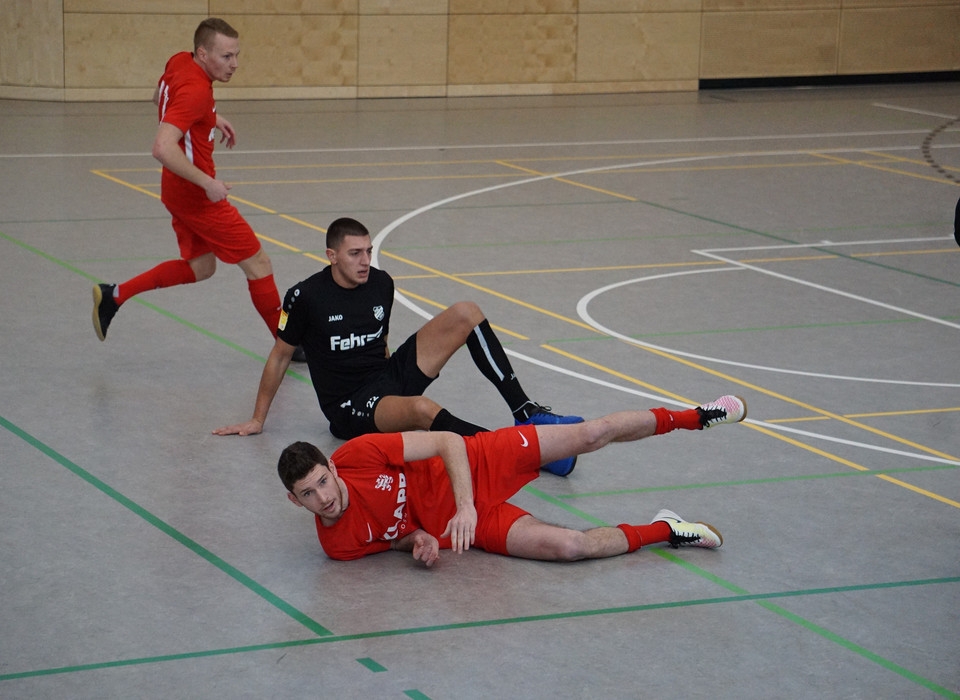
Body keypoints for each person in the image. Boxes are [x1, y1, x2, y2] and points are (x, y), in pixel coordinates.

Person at [214, 216, 584, 475]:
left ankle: (524, 411)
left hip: (385, 378)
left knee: (466, 313)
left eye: (368, 251)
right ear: (331, 256)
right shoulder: (305, 297)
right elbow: (280, 357)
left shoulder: (381, 283)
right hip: (350, 407)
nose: (365, 261)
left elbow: (382, 340)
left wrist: (396, 382)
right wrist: (258, 419)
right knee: (423, 410)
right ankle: (519, 451)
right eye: (355, 253)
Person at [277, 395, 748, 565]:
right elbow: (392, 540)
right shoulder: (337, 546)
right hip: (465, 528)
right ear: (295, 502)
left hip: (477, 462)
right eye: (309, 494)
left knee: (591, 434)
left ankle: (695, 417)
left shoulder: (359, 454)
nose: (324, 498)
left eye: (323, 482)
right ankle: (668, 529)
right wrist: (417, 541)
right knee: (571, 548)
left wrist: (464, 503)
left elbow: (447, 441)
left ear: (333, 468)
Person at [91, 18, 287, 348]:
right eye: (226, 57)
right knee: (259, 263)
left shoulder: (179, 61)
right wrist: (208, 183)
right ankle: (288, 343)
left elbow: (160, 97)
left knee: (201, 267)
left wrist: (208, 117)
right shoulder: (196, 91)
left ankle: (114, 295)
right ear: (203, 53)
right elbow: (162, 147)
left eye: (237, 55)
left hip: (175, 190)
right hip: (198, 198)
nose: (235, 64)